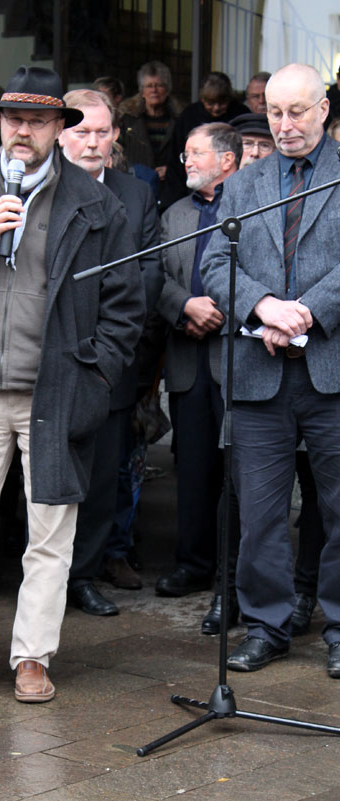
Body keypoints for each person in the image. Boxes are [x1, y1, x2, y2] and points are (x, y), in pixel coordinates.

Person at [0, 66, 144, 704]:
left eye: (37, 121)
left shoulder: (97, 207)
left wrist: (94, 381)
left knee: (50, 533)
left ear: (59, 130)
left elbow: (125, 308)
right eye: (13, 119)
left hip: (56, 393)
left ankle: (32, 657)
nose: (21, 131)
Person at [201, 64, 340, 677]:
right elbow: (213, 265)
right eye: (276, 113)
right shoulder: (244, 183)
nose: (284, 125)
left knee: (339, 509)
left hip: (331, 372)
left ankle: (339, 627)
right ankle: (267, 625)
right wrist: (263, 307)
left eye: (297, 112)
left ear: (325, 109)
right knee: (259, 513)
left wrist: (307, 311)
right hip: (259, 375)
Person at [59, 88, 162, 615]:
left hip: (108, 361)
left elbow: (145, 276)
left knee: (102, 477)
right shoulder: (40, 186)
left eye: (102, 131)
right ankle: (39, 576)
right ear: (60, 132)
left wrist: (104, 345)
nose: (92, 142)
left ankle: (83, 575)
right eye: (81, 131)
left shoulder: (137, 193)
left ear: (116, 135)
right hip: (46, 360)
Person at [154, 123, 241, 598]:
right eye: (185, 154)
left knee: (239, 474)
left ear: (227, 161)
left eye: (196, 153)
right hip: (188, 361)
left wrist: (221, 312)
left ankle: (235, 574)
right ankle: (192, 564)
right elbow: (157, 276)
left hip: (237, 361)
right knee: (191, 471)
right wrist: (184, 307)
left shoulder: (252, 207)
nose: (186, 161)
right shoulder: (174, 215)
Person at [162, 72, 248, 209]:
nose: (216, 108)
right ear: (201, 98)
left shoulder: (241, 115)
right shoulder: (189, 116)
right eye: (210, 103)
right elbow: (175, 165)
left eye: (222, 103)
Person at [119, 61, 181, 181]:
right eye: (149, 86)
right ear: (142, 91)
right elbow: (117, 153)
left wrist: (172, 169)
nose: (154, 90)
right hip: (136, 184)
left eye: (159, 85)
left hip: (169, 186)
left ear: (167, 90)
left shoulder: (179, 119)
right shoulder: (127, 120)